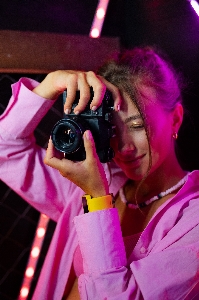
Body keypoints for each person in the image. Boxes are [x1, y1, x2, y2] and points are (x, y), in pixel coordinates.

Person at [0, 47, 199, 300]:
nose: (124, 147)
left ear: (175, 119)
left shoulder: (193, 220)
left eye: (138, 125)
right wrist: (49, 86)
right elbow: (5, 151)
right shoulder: (95, 180)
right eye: (111, 128)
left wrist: (97, 200)